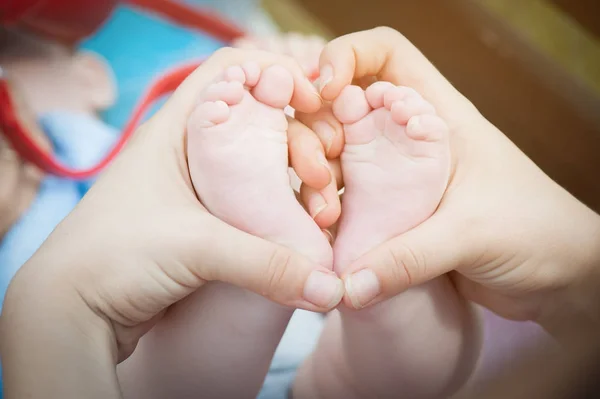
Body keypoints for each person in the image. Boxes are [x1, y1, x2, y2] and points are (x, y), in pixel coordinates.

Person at [1, 27, 599, 399]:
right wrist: (60, 314)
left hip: (321, 355)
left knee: (409, 357)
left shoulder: (78, 129)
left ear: (88, 79)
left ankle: (368, 250)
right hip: (129, 377)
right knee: (185, 347)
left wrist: (284, 67)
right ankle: (264, 244)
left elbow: (41, 60)